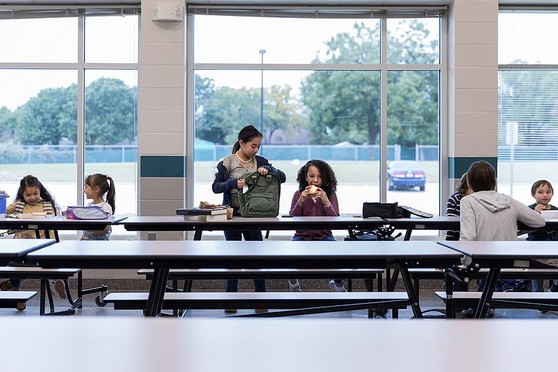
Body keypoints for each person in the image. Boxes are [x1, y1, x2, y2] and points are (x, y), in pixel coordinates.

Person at [212, 125, 286, 313]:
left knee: (257, 258)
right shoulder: (226, 163)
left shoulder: (260, 161)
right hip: (233, 216)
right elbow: (216, 187)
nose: (256, 150)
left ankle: (260, 299)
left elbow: (282, 177)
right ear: (242, 143)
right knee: (232, 259)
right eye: (253, 146)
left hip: (253, 216)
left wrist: (267, 169)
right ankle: (231, 300)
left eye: (258, 146)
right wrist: (232, 184)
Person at [459, 161, 546, 316]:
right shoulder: (507, 200)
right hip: (510, 261)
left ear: (470, 182)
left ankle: (483, 305)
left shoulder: (468, 201)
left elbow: (468, 236)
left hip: (482, 262)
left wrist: (463, 263)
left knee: (468, 266)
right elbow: (539, 221)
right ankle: (487, 302)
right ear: (494, 181)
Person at [2, 175, 65, 310]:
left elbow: (54, 224)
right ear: (22, 194)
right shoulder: (19, 204)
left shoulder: (47, 205)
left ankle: (13, 286)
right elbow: (4, 212)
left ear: (40, 191)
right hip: (21, 244)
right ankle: (15, 289)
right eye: (28, 194)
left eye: (35, 193)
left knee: (31, 263)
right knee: (15, 262)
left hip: (41, 245)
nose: (32, 197)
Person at [288, 159, 340, 292]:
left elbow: (335, 219)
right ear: (305, 177)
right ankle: (294, 284)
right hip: (302, 236)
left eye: (319, 176)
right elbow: (293, 217)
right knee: (289, 256)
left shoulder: (330, 195)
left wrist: (326, 201)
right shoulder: (298, 194)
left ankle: (338, 284)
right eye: (311, 176)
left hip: (324, 236)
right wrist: (300, 201)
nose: (315, 180)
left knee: (342, 255)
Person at [525, 180, 558, 292]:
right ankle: (537, 297)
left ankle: (552, 292)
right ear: (533, 194)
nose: (545, 195)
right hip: (535, 246)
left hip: (553, 246)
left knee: (553, 272)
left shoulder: (555, 210)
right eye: (540, 192)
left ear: (552, 194)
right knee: (537, 273)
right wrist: (535, 213)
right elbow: (525, 225)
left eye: (548, 192)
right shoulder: (529, 209)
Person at [445, 173, 472, 292]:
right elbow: (451, 222)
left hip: (473, 240)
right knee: (456, 269)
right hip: (455, 239)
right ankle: (457, 299)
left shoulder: (479, 200)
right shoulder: (455, 199)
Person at [81, 174, 116, 241]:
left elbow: (105, 229)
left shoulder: (105, 207)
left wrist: (85, 227)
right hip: (87, 244)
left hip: (100, 246)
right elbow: (85, 234)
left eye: (86, 187)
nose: (84, 190)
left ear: (96, 189)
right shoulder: (89, 205)